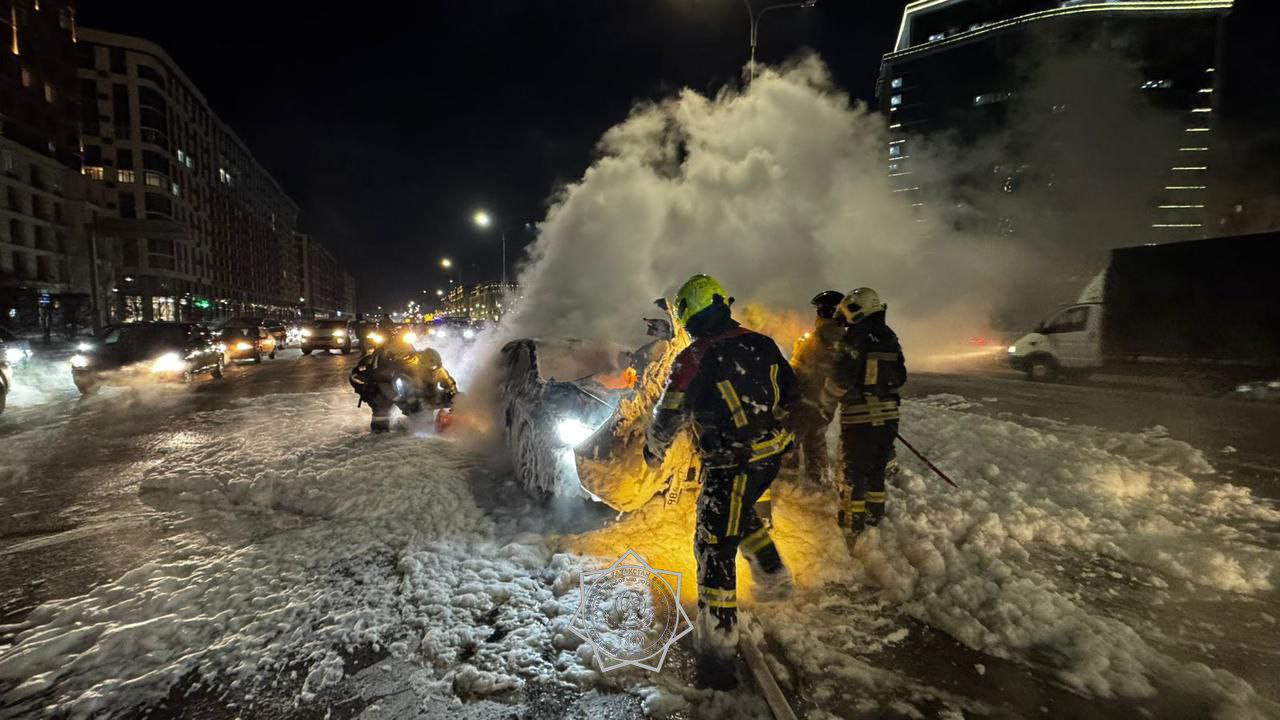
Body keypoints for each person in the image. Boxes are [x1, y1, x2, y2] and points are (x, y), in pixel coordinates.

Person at [644, 274, 797, 690]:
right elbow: (792, 392)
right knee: (739, 512)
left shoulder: (695, 357)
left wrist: (654, 448)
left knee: (713, 545)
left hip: (731, 462)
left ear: (692, 317)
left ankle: (718, 649)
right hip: (769, 456)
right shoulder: (763, 344)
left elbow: (670, 411)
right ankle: (772, 570)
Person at [819, 287, 907, 545]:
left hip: (860, 419)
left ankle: (851, 526)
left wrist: (825, 402)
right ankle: (874, 516)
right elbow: (900, 377)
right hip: (889, 418)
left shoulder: (854, 338)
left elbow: (840, 379)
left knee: (853, 473)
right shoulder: (889, 337)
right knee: (876, 469)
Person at [788, 290, 845, 485]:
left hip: (805, 401)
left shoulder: (814, 340)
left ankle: (789, 485)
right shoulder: (847, 340)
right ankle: (818, 481)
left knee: (790, 440)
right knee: (816, 440)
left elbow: (797, 372)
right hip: (826, 403)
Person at [350, 340, 458, 432]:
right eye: (430, 370)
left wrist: (455, 398)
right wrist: (410, 404)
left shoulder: (437, 368)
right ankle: (379, 429)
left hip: (403, 388)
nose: (433, 373)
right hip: (373, 385)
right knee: (382, 404)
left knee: (427, 401)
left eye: (435, 369)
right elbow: (395, 391)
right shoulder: (402, 367)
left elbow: (449, 384)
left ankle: (425, 422)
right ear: (421, 364)